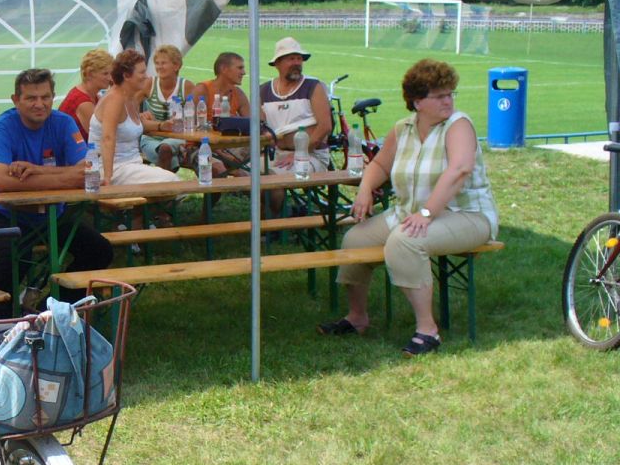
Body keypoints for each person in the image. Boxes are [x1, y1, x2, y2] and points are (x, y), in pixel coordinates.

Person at [318, 59, 498, 356]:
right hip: (409, 213)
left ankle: (427, 330)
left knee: (406, 241)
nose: (448, 101)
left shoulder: (458, 125)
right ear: (417, 101)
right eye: (439, 96)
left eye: (450, 94)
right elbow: (380, 165)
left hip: (466, 216)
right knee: (354, 239)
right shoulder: (402, 129)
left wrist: (427, 213)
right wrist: (364, 189)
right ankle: (357, 317)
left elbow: (460, 170)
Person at [0, 68, 113, 312]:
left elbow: (88, 172)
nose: (39, 104)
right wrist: (68, 176)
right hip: (8, 214)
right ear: (16, 100)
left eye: (45, 97)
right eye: (31, 98)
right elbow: (2, 181)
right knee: (14, 256)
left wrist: (35, 171)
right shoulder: (2, 126)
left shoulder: (63, 123)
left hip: (54, 215)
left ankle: (51, 311)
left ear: (53, 97)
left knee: (100, 251)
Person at [259, 37, 333, 216]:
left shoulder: (313, 86)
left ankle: (272, 223)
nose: (297, 63)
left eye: (299, 59)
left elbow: (325, 126)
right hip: (276, 153)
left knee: (271, 180)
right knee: (244, 175)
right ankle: (273, 218)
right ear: (277, 63)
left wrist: (299, 152)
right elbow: (260, 126)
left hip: (310, 154)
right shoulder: (264, 90)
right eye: (291, 59)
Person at [91, 50, 183, 187]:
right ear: (126, 76)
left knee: (172, 182)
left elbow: (130, 126)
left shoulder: (131, 97)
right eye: (142, 72)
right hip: (114, 168)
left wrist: (161, 125)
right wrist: (107, 178)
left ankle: (148, 202)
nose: (146, 77)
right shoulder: (114, 99)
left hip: (131, 165)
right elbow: (107, 138)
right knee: (172, 182)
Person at [194, 52, 253, 174]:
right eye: (240, 68)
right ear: (224, 69)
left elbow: (252, 124)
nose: (244, 72)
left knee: (249, 173)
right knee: (218, 169)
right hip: (199, 146)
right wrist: (221, 153)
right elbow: (191, 127)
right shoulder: (203, 90)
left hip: (227, 147)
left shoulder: (238, 94)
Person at [138, 44, 194, 171]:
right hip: (151, 137)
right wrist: (140, 115)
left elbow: (196, 118)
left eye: (163, 63)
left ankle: (162, 182)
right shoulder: (150, 84)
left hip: (177, 137)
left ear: (176, 66)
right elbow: (129, 108)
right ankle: (168, 180)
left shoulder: (187, 87)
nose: (159, 67)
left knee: (165, 148)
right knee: (165, 150)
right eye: (157, 63)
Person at [58, 49, 113, 137]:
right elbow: (103, 136)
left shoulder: (93, 96)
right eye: (105, 74)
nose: (110, 78)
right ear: (90, 74)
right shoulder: (83, 102)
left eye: (111, 73)